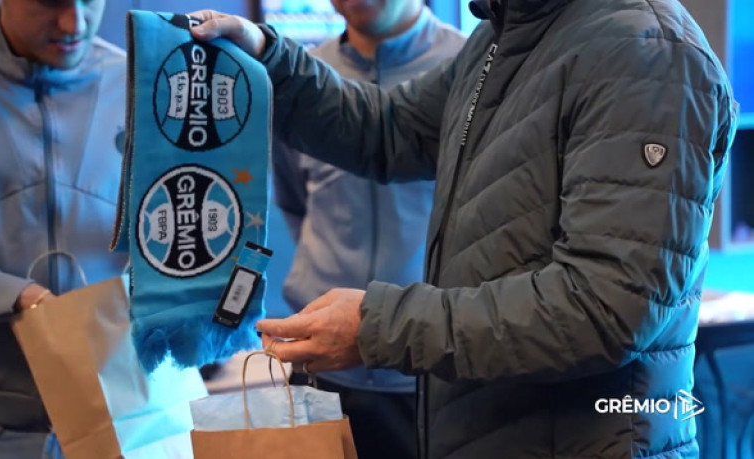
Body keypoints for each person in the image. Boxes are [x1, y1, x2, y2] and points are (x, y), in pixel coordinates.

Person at [190, 0, 738, 457]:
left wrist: (381, 329)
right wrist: (269, 58)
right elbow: (387, 130)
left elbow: (607, 308)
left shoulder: (645, 54)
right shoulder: (504, 38)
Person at [0, 0, 127, 457]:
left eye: (89, 1)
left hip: (118, 417)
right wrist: (17, 298)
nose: (74, 23)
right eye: (50, 3)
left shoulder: (137, 83)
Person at [272, 1, 464, 457]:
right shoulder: (304, 80)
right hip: (319, 369)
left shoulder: (474, 71)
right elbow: (293, 201)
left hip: (431, 371)